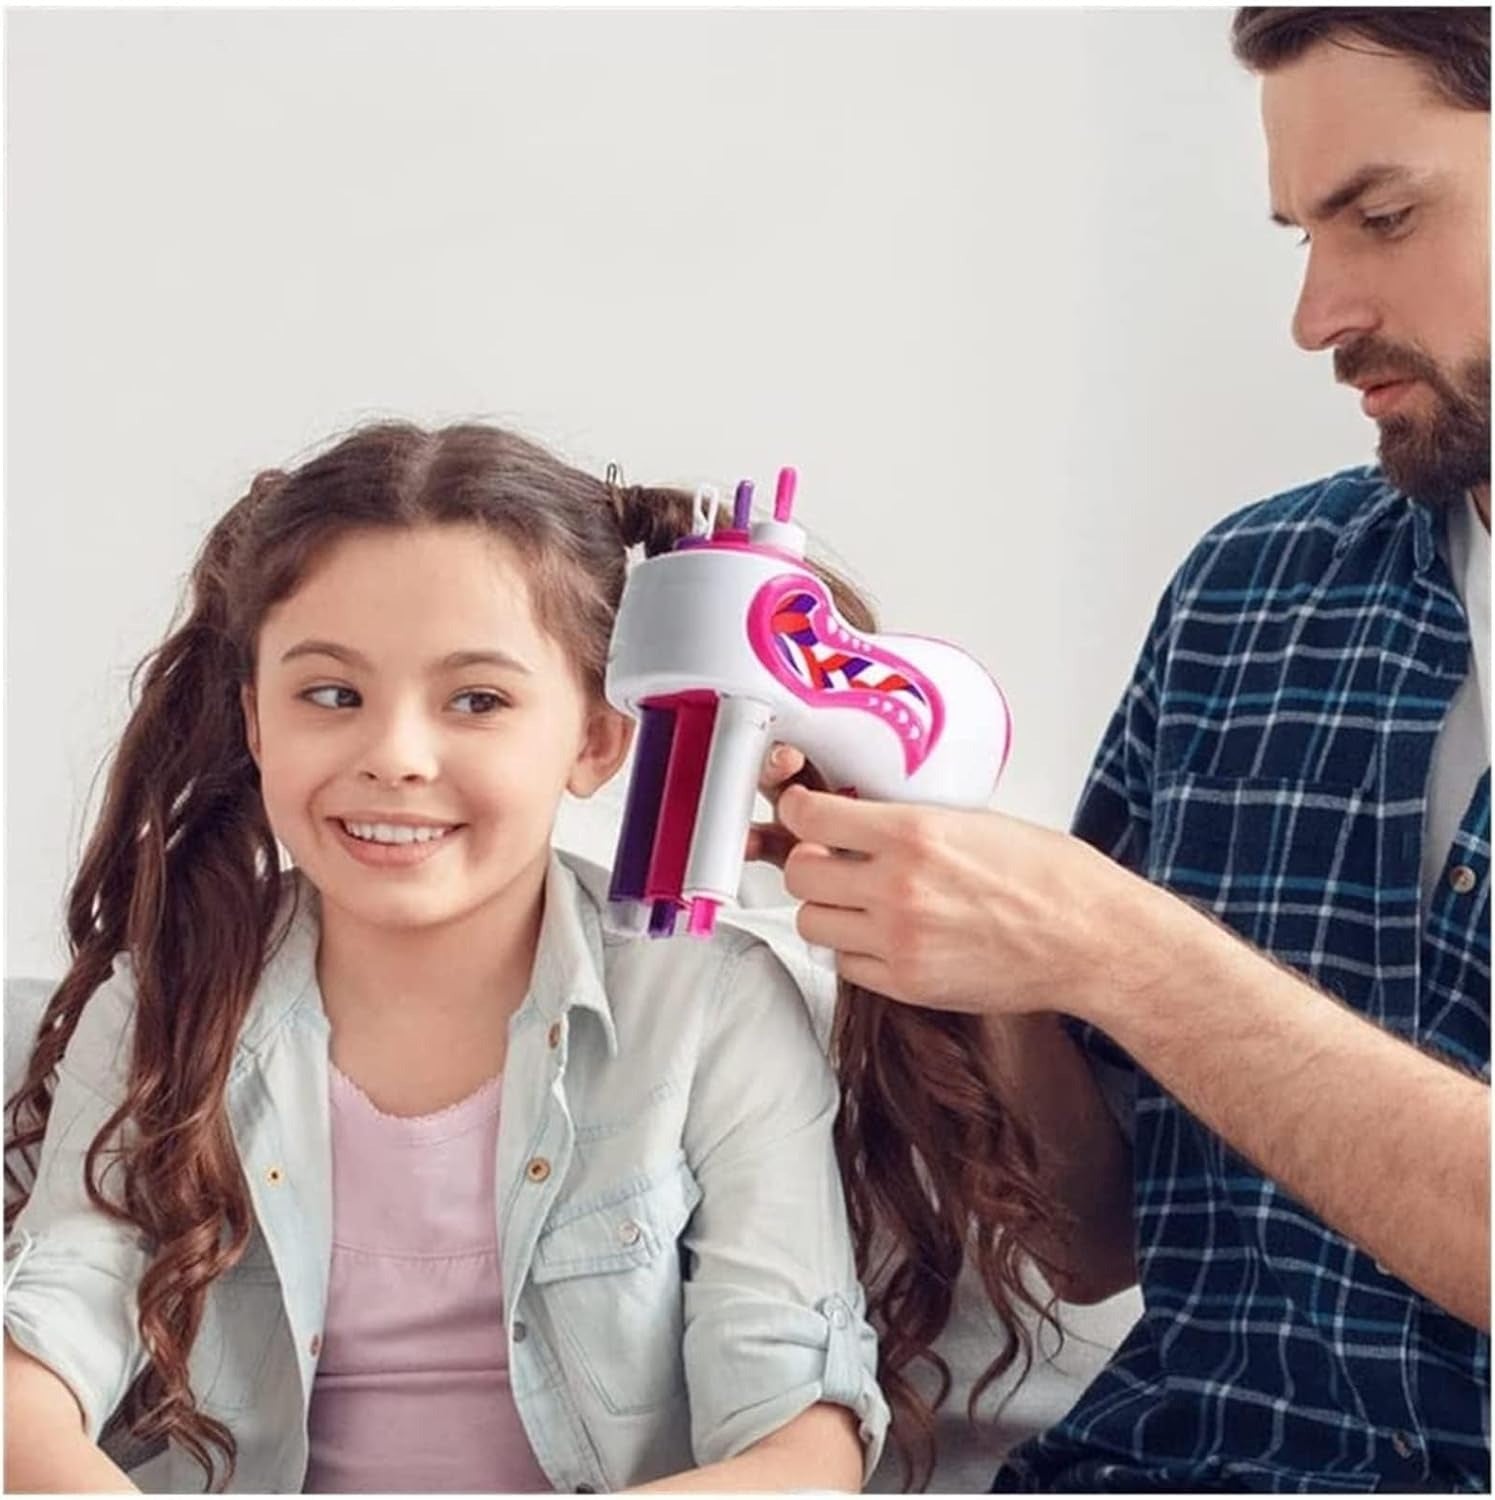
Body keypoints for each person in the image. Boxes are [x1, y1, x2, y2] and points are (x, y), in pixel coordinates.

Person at [753, 7, 1490, 1490]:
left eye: (1384, 215)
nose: (1316, 311)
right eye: (1299, 232)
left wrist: (1108, 945)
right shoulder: (1249, 594)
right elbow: (1093, 1245)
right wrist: (969, 938)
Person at [3, 421, 890, 1494]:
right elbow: (37, 1365)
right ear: (254, 719)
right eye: (331, 695)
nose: (395, 757)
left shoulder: (712, 1008)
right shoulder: (167, 1001)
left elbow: (804, 1445)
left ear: (599, 736)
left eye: (477, 700)